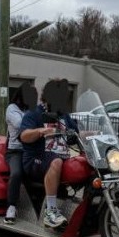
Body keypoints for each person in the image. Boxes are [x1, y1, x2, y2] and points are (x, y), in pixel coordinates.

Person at [19, 80, 77, 228]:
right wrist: (41, 131)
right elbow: (24, 136)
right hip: (36, 158)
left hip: (61, 157)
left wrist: (95, 134)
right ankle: (50, 212)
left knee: (84, 163)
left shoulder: (63, 115)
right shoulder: (35, 113)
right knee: (56, 161)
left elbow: (76, 133)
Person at [4, 87, 29, 224]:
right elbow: (19, 124)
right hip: (16, 151)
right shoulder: (12, 108)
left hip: (32, 150)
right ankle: (11, 206)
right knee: (16, 173)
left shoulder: (31, 110)